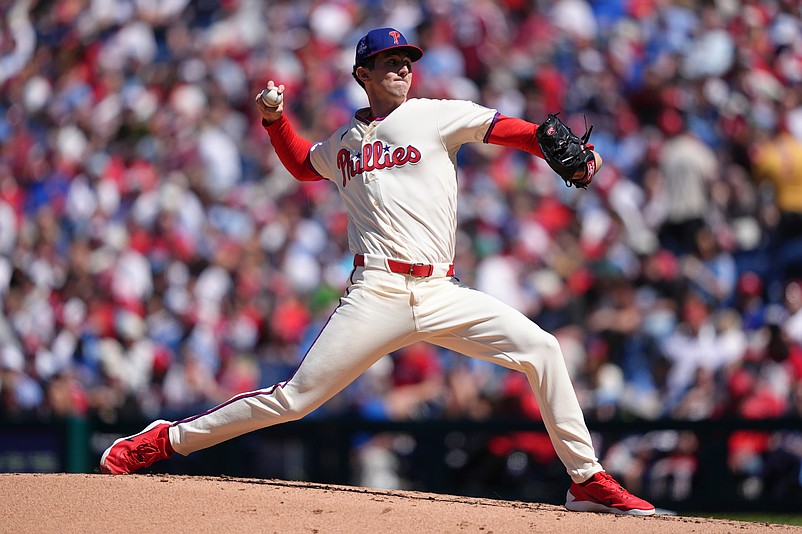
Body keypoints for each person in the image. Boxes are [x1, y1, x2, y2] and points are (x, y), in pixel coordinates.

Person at [100, 27, 655, 516]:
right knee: (295, 400)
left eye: (407, 60)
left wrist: (554, 147)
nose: (403, 68)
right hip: (377, 291)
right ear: (362, 75)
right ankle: (166, 440)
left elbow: (508, 128)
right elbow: (300, 162)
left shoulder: (434, 114)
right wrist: (274, 120)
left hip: (440, 289)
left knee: (543, 349)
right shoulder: (344, 142)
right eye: (390, 63)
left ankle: (586, 480)